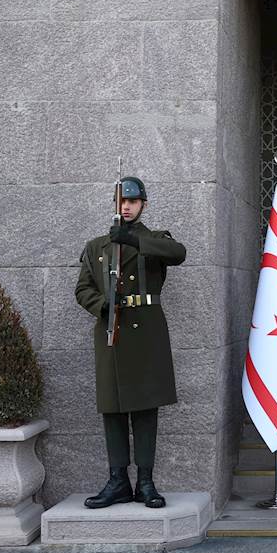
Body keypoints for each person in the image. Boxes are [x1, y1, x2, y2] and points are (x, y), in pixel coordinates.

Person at [75, 176, 187, 509]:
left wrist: (135, 242)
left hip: (145, 330)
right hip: (112, 330)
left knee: (145, 409)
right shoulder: (97, 246)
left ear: (143, 205)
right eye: (121, 201)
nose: (126, 207)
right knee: (113, 409)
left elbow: (178, 253)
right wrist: (102, 305)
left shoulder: (154, 239)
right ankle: (118, 481)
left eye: (133, 202)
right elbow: (82, 289)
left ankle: (146, 482)